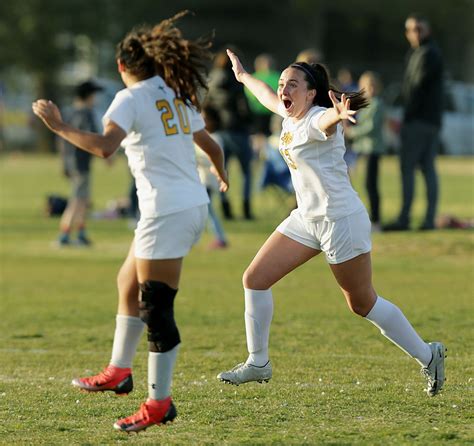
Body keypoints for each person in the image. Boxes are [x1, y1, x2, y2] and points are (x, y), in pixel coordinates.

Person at [32, 11, 228, 433]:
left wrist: (58, 125)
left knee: (156, 307)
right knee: (127, 283)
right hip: (185, 205)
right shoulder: (175, 91)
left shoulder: (130, 97)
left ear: (122, 67)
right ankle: (120, 371)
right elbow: (209, 143)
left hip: (166, 211)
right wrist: (221, 172)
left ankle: (159, 404)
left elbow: (104, 148)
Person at [217, 50, 446, 399]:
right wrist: (244, 76)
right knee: (254, 279)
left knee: (362, 303)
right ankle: (258, 362)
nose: (283, 89)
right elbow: (268, 98)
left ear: (311, 93)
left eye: (292, 84)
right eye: (282, 84)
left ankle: (429, 355)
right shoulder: (291, 115)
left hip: (340, 221)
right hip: (306, 219)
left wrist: (337, 115)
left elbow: (324, 124)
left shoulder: (316, 118)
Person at [384, 14, 443, 231]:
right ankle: (428, 220)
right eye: (412, 29)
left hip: (419, 121)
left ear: (427, 30)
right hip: (431, 121)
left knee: (408, 167)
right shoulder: (424, 52)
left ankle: (405, 219)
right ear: (407, 33)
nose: (415, 33)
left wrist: (405, 118)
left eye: (420, 29)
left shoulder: (426, 53)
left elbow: (415, 89)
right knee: (428, 169)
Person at [206, 48, 255, 220]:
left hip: (219, 132)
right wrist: (250, 122)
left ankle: (225, 207)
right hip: (238, 131)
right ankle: (246, 207)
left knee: (221, 171)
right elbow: (244, 108)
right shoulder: (236, 82)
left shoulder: (211, 81)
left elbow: (206, 106)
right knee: (246, 172)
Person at [57, 80, 103, 246]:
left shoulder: (68, 112)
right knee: (77, 199)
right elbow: (93, 137)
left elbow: (61, 140)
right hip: (82, 163)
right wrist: (107, 156)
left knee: (83, 199)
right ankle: (64, 234)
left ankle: (82, 232)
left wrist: (64, 163)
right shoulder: (87, 114)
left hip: (70, 162)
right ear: (88, 96)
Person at [345, 71, 386, 231]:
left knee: (371, 184)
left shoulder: (377, 104)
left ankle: (376, 220)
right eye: (367, 86)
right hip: (363, 149)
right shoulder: (364, 104)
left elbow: (370, 127)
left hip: (373, 150)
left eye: (373, 86)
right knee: (365, 184)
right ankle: (368, 218)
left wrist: (351, 133)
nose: (370, 89)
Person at [196, 104, 229, 249]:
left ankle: (220, 238)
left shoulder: (215, 137)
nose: (202, 121)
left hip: (207, 181)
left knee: (208, 211)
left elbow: (213, 156)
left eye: (205, 119)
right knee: (202, 212)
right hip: (199, 180)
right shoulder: (200, 137)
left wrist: (193, 158)